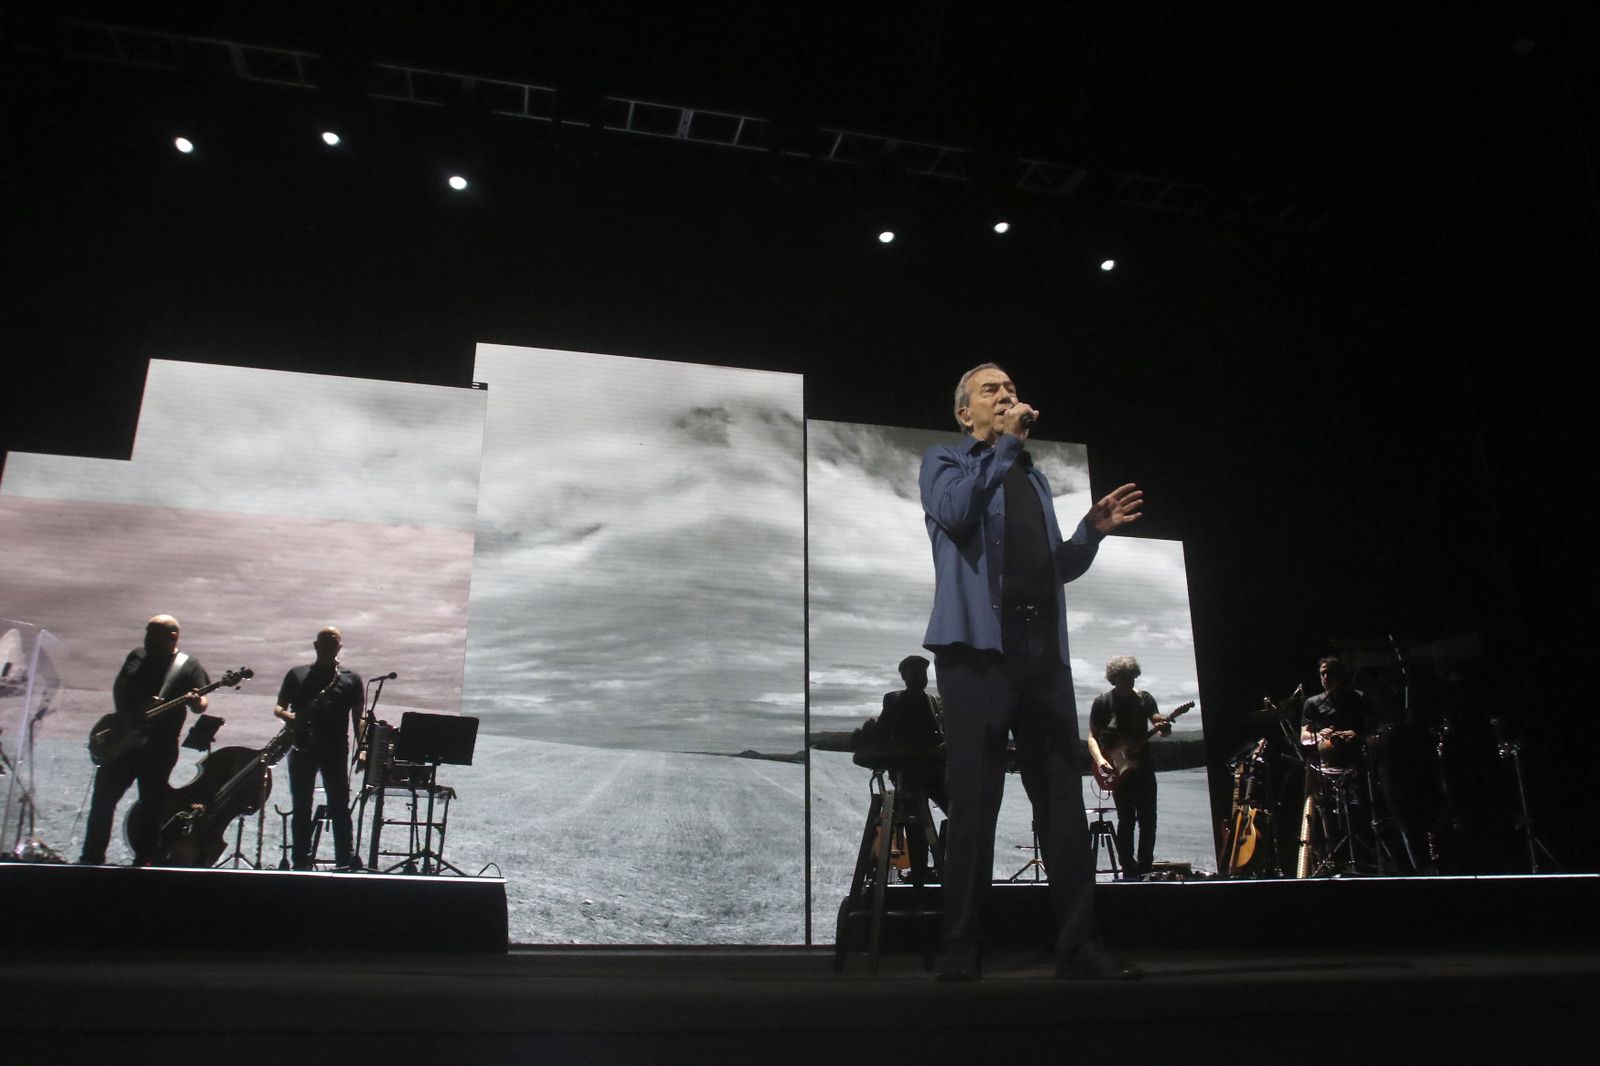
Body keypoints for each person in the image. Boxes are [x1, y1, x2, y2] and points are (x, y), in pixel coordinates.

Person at [920, 362, 1144, 980]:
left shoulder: (1034, 479)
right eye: (992, 391)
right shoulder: (946, 462)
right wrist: (1008, 443)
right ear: (966, 414)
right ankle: (961, 946)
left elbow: (1055, 569)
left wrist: (1089, 533)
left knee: (1062, 806)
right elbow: (959, 515)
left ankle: (1077, 946)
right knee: (974, 802)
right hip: (975, 654)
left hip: (1041, 654)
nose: (1008, 396)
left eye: (1012, 389)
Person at [80, 615, 210, 865]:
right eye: (147, 633)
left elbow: (201, 704)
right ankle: (91, 858)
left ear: (173, 637)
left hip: (158, 748)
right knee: (103, 801)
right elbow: (121, 685)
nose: (147, 639)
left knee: (152, 806)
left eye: (154, 635)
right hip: (123, 742)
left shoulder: (188, 665)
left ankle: (144, 863)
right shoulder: (137, 655)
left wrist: (197, 700)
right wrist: (124, 720)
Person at [273, 627, 364, 871]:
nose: (327, 646)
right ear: (316, 645)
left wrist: (363, 748)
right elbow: (278, 708)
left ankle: (345, 860)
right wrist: (291, 718)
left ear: (339, 647)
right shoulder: (297, 674)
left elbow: (359, 718)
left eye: (332, 642)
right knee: (301, 805)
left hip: (335, 749)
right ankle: (300, 861)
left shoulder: (351, 679)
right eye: (324, 642)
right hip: (302, 746)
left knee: (339, 806)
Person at [1088, 655, 1170, 880]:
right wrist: (1100, 760)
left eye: (1132, 677)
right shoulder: (1102, 702)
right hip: (1117, 769)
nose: (1130, 682)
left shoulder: (1144, 699)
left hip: (1143, 768)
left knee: (1148, 820)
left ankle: (1145, 867)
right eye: (1124, 678)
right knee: (1126, 820)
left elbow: (1158, 722)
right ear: (1114, 678)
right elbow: (1092, 737)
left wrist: (1163, 726)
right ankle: (1128, 870)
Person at [877, 654, 947, 809]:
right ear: (904, 677)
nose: (920, 677)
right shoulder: (894, 702)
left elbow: (945, 732)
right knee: (913, 816)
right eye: (914, 673)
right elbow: (880, 732)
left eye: (922, 673)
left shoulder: (934, 703)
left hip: (936, 770)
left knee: (958, 812)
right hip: (908, 772)